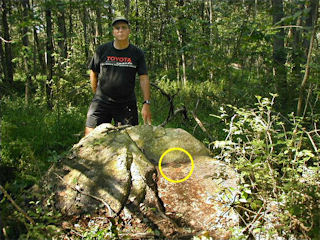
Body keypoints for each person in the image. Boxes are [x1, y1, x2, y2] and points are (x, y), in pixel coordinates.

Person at [85, 16, 152, 136]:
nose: (120, 30)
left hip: (126, 104)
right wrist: (96, 93)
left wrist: (146, 103)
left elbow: (143, 77)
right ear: (113, 32)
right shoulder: (102, 50)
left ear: (129, 31)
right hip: (101, 101)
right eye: (117, 28)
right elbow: (93, 72)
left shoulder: (137, 53)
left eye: (124, 27)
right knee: (90, 135)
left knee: (130, 138)